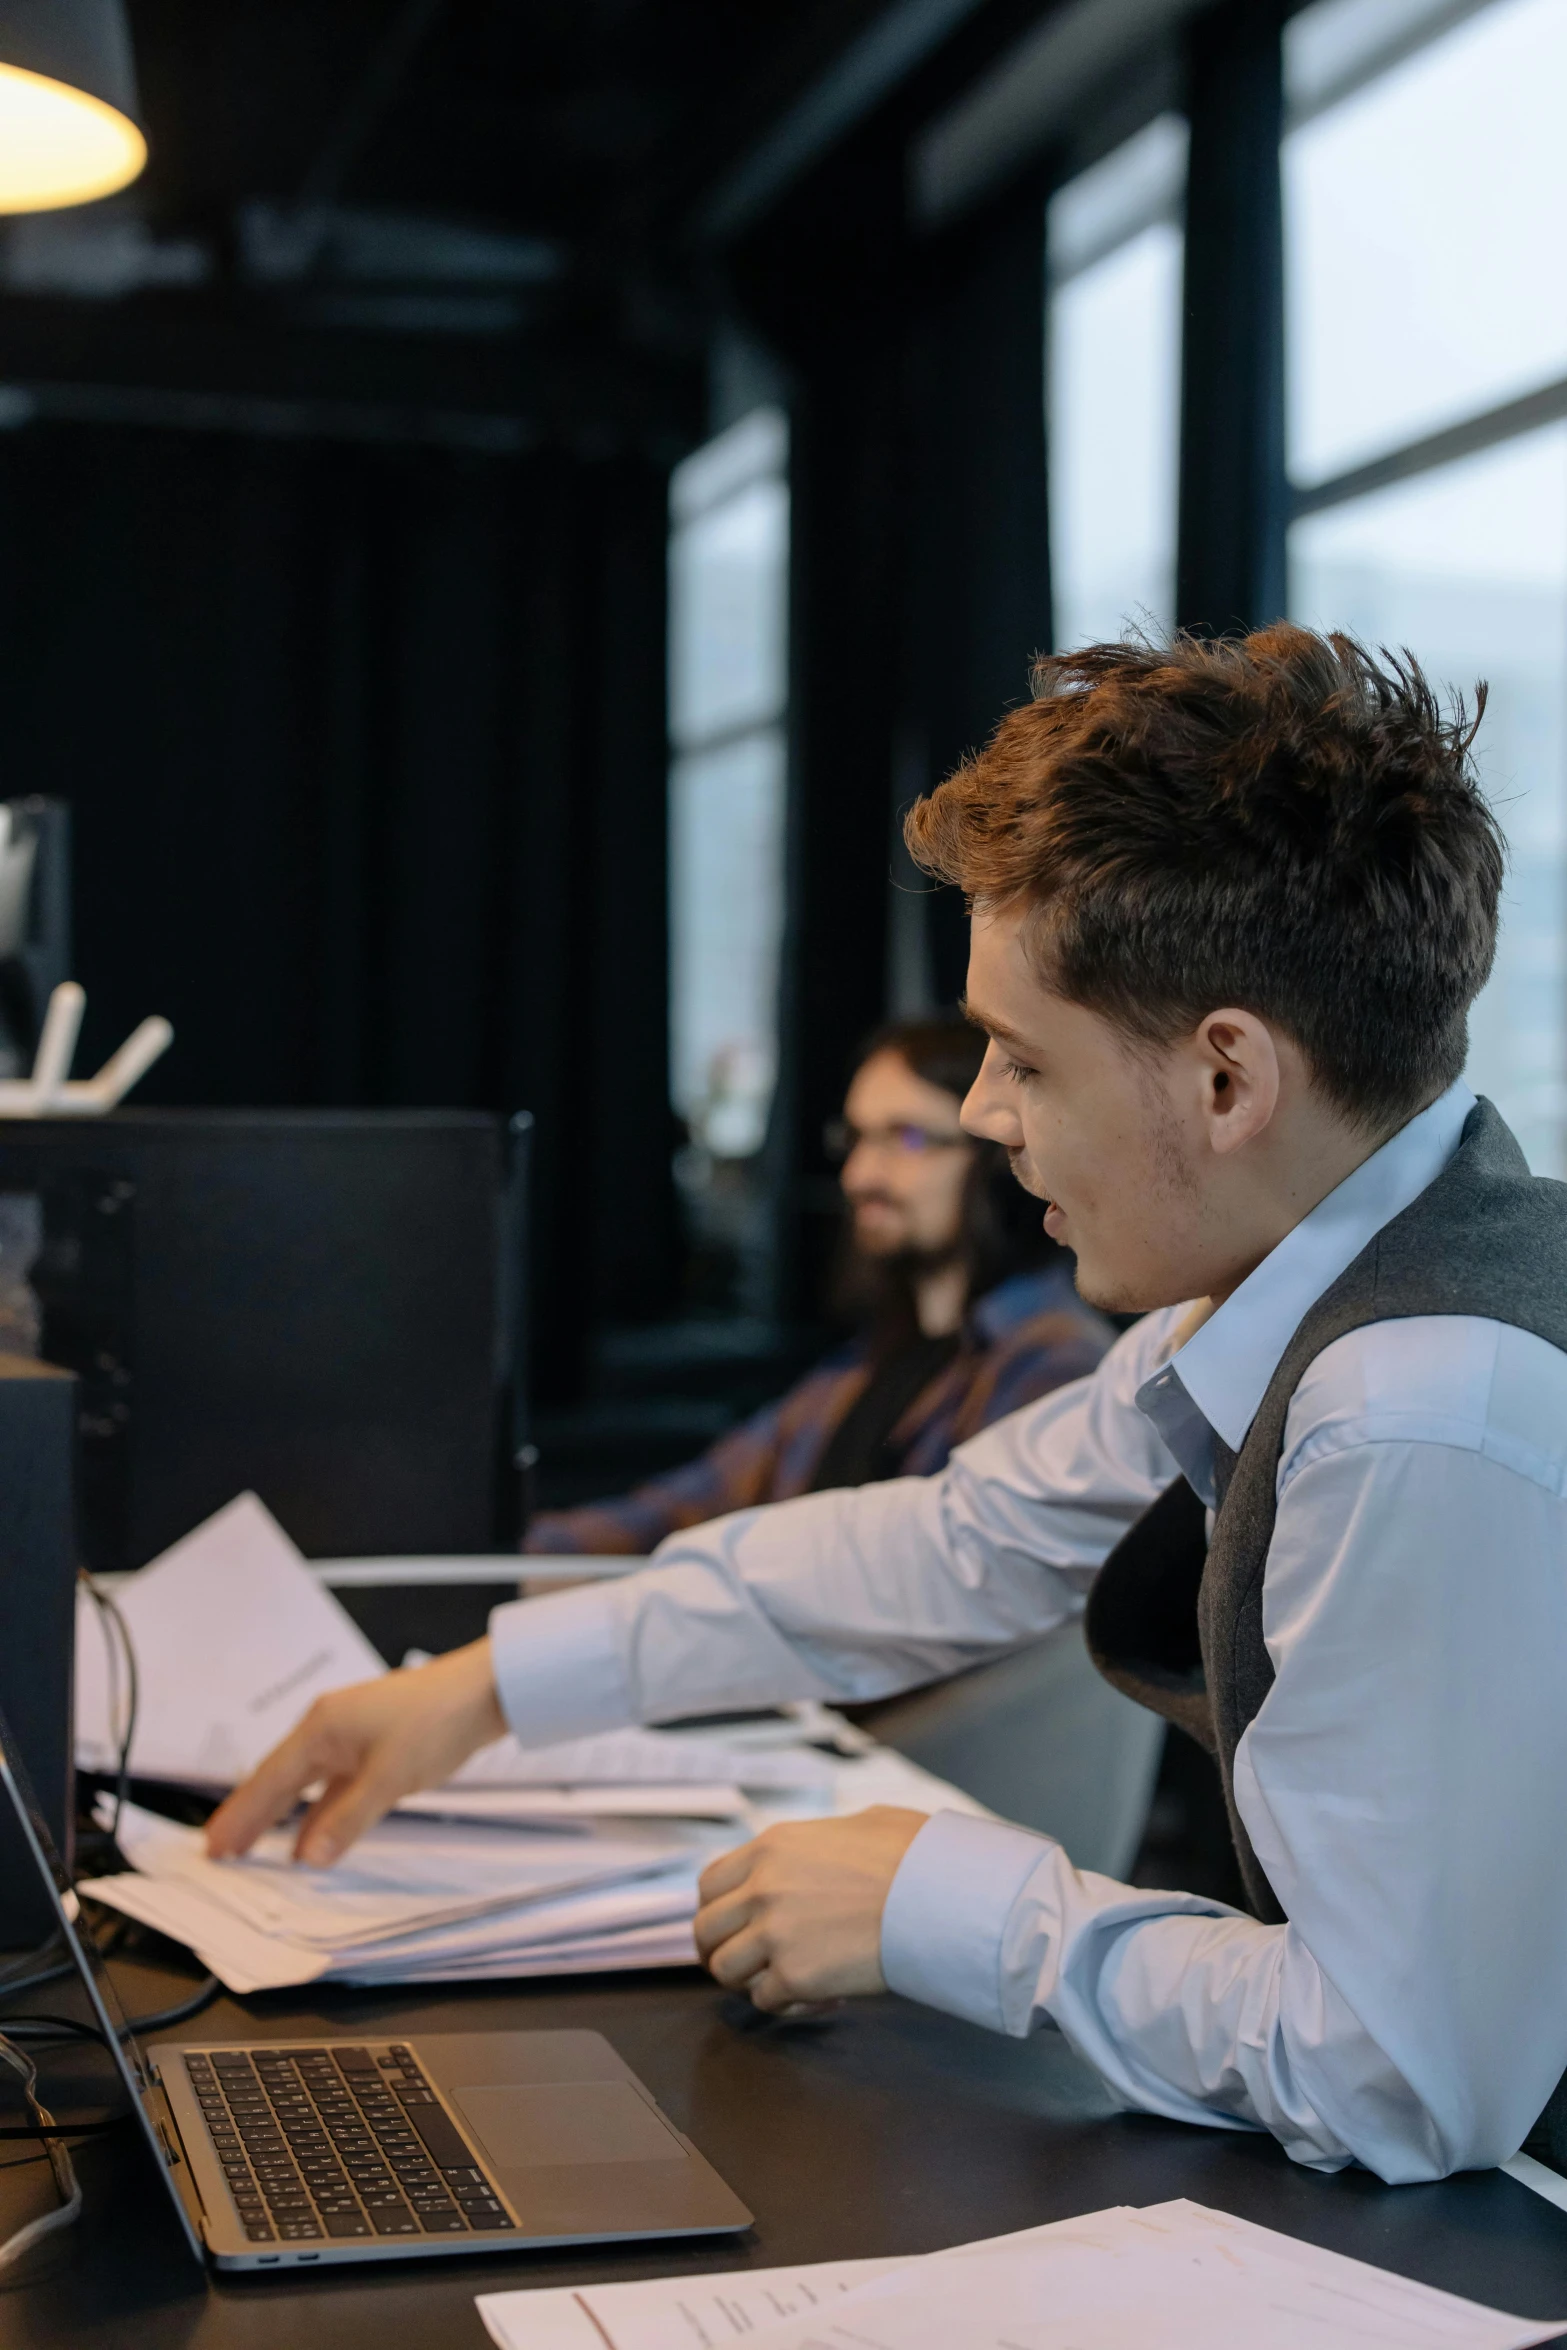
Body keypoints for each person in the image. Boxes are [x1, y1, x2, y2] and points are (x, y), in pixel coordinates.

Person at [207, 625, 1567, 2189]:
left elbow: (1397, 2075)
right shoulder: (1324, 1275)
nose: (982, 1113)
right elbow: (954, 1539)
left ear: (1223, 1080)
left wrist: (947, 1905)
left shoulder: (1408, 1405)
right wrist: (481, 1685)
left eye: (1020, 1058)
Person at [523, 1017, 1111, 1556]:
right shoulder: (868, 1361)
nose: (859, 1176)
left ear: (996, 1156)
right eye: (855, 1139)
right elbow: (681, 1509)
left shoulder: (1052, 1364)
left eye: (905, 1139)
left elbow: (946, 1589)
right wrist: (499, 1560)